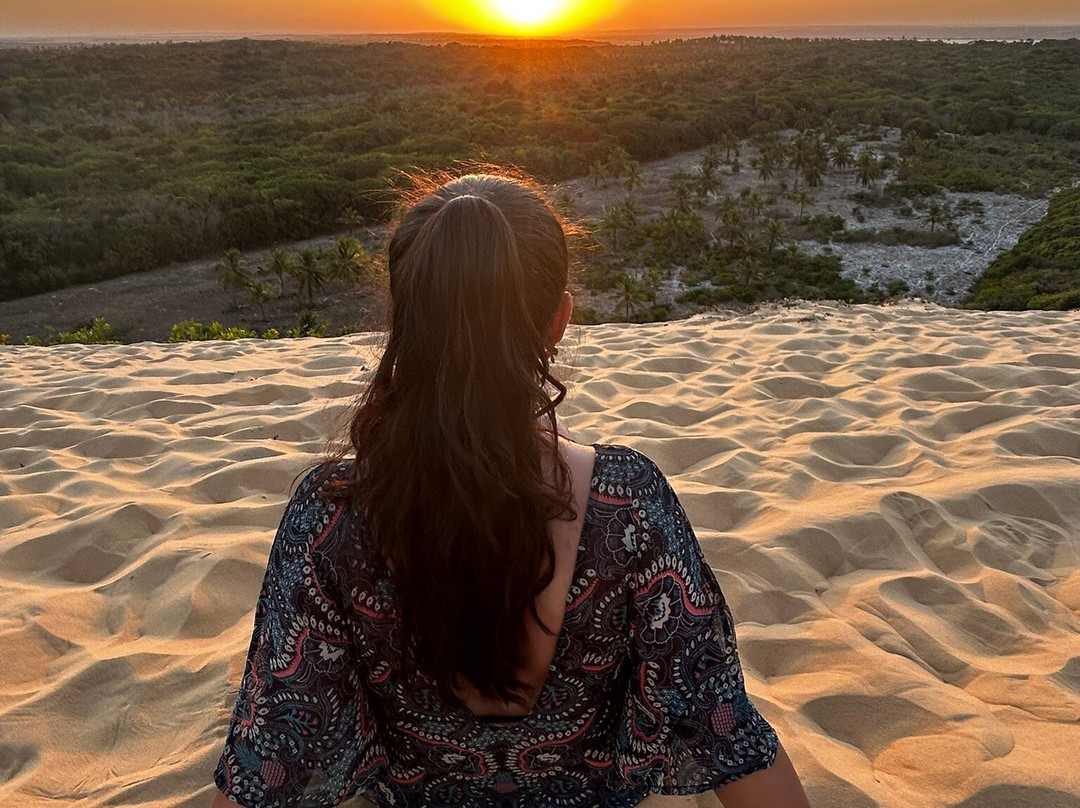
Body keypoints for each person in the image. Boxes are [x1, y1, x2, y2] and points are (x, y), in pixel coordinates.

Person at [210, 170, 811, 808]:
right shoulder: (628, 505)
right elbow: (730, 734)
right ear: (560, 320)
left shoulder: (328, 520)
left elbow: (266, 762)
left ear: (406, 317)